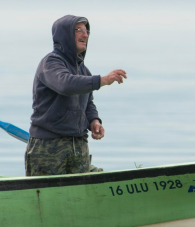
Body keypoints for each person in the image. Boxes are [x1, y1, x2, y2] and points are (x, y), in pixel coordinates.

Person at [25, 15, 127, 176]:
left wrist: (94, 120)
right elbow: (65, 84)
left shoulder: (84, 70)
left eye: (86, 31)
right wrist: (103, 80)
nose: (85, 35)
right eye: (78, 30)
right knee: (48, 198)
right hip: (49, 146)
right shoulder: (51, 63)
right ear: (64, 35)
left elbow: (88, 103)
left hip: (79, 145)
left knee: (79, 197)